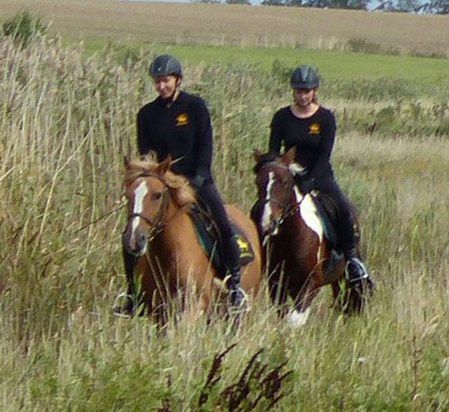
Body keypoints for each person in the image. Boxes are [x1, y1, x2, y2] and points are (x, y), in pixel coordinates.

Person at [116, 54, 251, 317]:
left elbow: (205, 145)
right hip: (161, 184)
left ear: (177, 80)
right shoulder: (146, 114)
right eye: (157, 81)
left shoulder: (195, 107)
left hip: (196, 181)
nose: (161, 86)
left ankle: (234, 286)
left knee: (223, 224)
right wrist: (151, 176)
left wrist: (200, 175)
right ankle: (133, 295)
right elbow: (146, 155)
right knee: (130, 234)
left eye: (165, 80)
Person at [266, 65, 371, 293]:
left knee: (344, 211)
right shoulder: (282, 117)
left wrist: (310, 181)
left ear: (315, 91)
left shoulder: (325, 118)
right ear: (292, 91)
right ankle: (261, 258)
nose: (302, 95)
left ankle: (353, 261)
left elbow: (324, 155)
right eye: (298, 91)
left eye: (307, 91)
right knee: (262, 210)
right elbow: (274, 152)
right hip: (287, 178)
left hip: (319, 177)